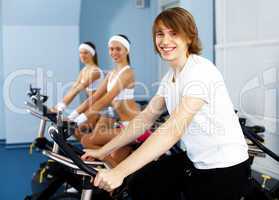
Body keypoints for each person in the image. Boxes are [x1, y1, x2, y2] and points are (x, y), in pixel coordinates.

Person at [81, 7, 251, 200]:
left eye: (174, 33)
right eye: (160, 34)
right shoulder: (171, 76)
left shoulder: (201, 72)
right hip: (196, 160)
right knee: (140, 184)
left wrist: (119, 172)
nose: (165, 40)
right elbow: (145, 118)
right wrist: (104, 150)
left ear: (189, 37)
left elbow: (172, 130)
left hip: (225, 168)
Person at [71, 34, 151, 166]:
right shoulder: (111, 73)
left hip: (136, 128)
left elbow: (107, 99)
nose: (114, 52)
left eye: (118, 49)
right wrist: (73, 115)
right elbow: (94, 98)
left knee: (87, 140)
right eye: (111, 49)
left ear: (126, 50)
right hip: (123, 126)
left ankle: (111, 175)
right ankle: (115, 182)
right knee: (113, 163)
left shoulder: (128, 73)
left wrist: (80, 119)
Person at [53, 41, 104, 114]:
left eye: (86, 53)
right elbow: (73, 89)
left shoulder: (95, 72)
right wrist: (59, 106)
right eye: (80, 53)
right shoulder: (84, 70)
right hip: (89, 105)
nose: (82, 55)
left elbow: (77, 90)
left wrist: (59, 108)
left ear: (92, 54)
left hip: (98, 108)